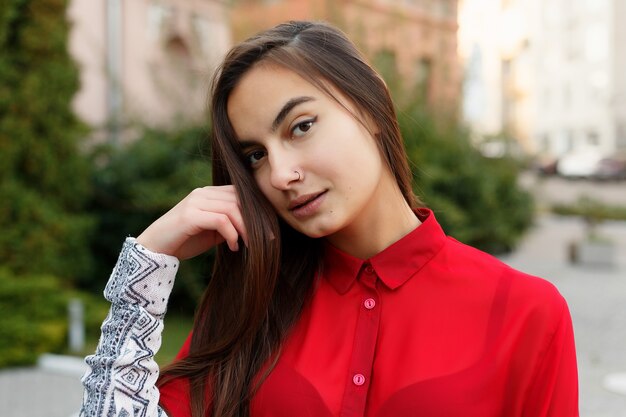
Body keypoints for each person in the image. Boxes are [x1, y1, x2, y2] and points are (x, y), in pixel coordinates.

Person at [79, 20, 579, 417]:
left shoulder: (526, 313)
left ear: (372, 106)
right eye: (254, 154)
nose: (279, 173)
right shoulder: (251, 304)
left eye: (300, 126)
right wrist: (149, 261)